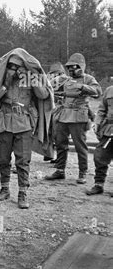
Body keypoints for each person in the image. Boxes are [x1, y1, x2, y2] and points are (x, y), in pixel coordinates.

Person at [0, 48, 53, 209]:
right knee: (3, 158)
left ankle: (23, 192)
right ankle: (4, 189)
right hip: (4, 122)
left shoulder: (29, 80)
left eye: (17, 67)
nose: (14, 70)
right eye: (11, 67)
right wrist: (4, 86)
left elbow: (44, 95)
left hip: (24, 122)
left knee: (23, 160)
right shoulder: (1, 80)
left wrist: (33, 79)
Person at [45, 53, 101, 184]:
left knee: (80, 146)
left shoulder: (88, 78)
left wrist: (82, 87)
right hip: (63, 114)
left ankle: (82, 173)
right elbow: (48, 85)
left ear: (81, 67)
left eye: (74, 67)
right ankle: (60, 170)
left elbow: (98, 92)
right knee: (60, 144)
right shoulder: (64, 79)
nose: (70, 70)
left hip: (78, 115)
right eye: (69, 67)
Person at [86, 85, 113, 196]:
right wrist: (97, 123)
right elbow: (102, 109)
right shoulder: (110, 90)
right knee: (100, 156)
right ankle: (99, 184)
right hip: (109, 129)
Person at [45, 62, 70, 163]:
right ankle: (49, 153)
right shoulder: (54, 80)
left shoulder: (64, 80)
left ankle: (59, 159)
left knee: (58, 135)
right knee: (50, 132)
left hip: (61, 110)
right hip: (53, 109)